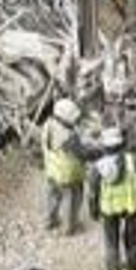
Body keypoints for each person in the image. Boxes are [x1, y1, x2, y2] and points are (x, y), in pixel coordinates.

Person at [88, 125, 136, 270]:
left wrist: (93, 210)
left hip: (109, 209)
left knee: (111, 241)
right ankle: (133, 266)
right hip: (131, 204)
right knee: (131, 238)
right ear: (122, 145)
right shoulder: (134, 160)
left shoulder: (98, 167)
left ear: (104, 147)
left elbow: (93, 192)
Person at [41, 98, 87, 233]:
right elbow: (82, 153)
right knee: (72, 200)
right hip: (68, 175)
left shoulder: (48, 124)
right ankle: (70, 227)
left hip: (51, 169)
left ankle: (50, 220)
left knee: (52, 196)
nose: (75, 120)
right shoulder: (69, 136)